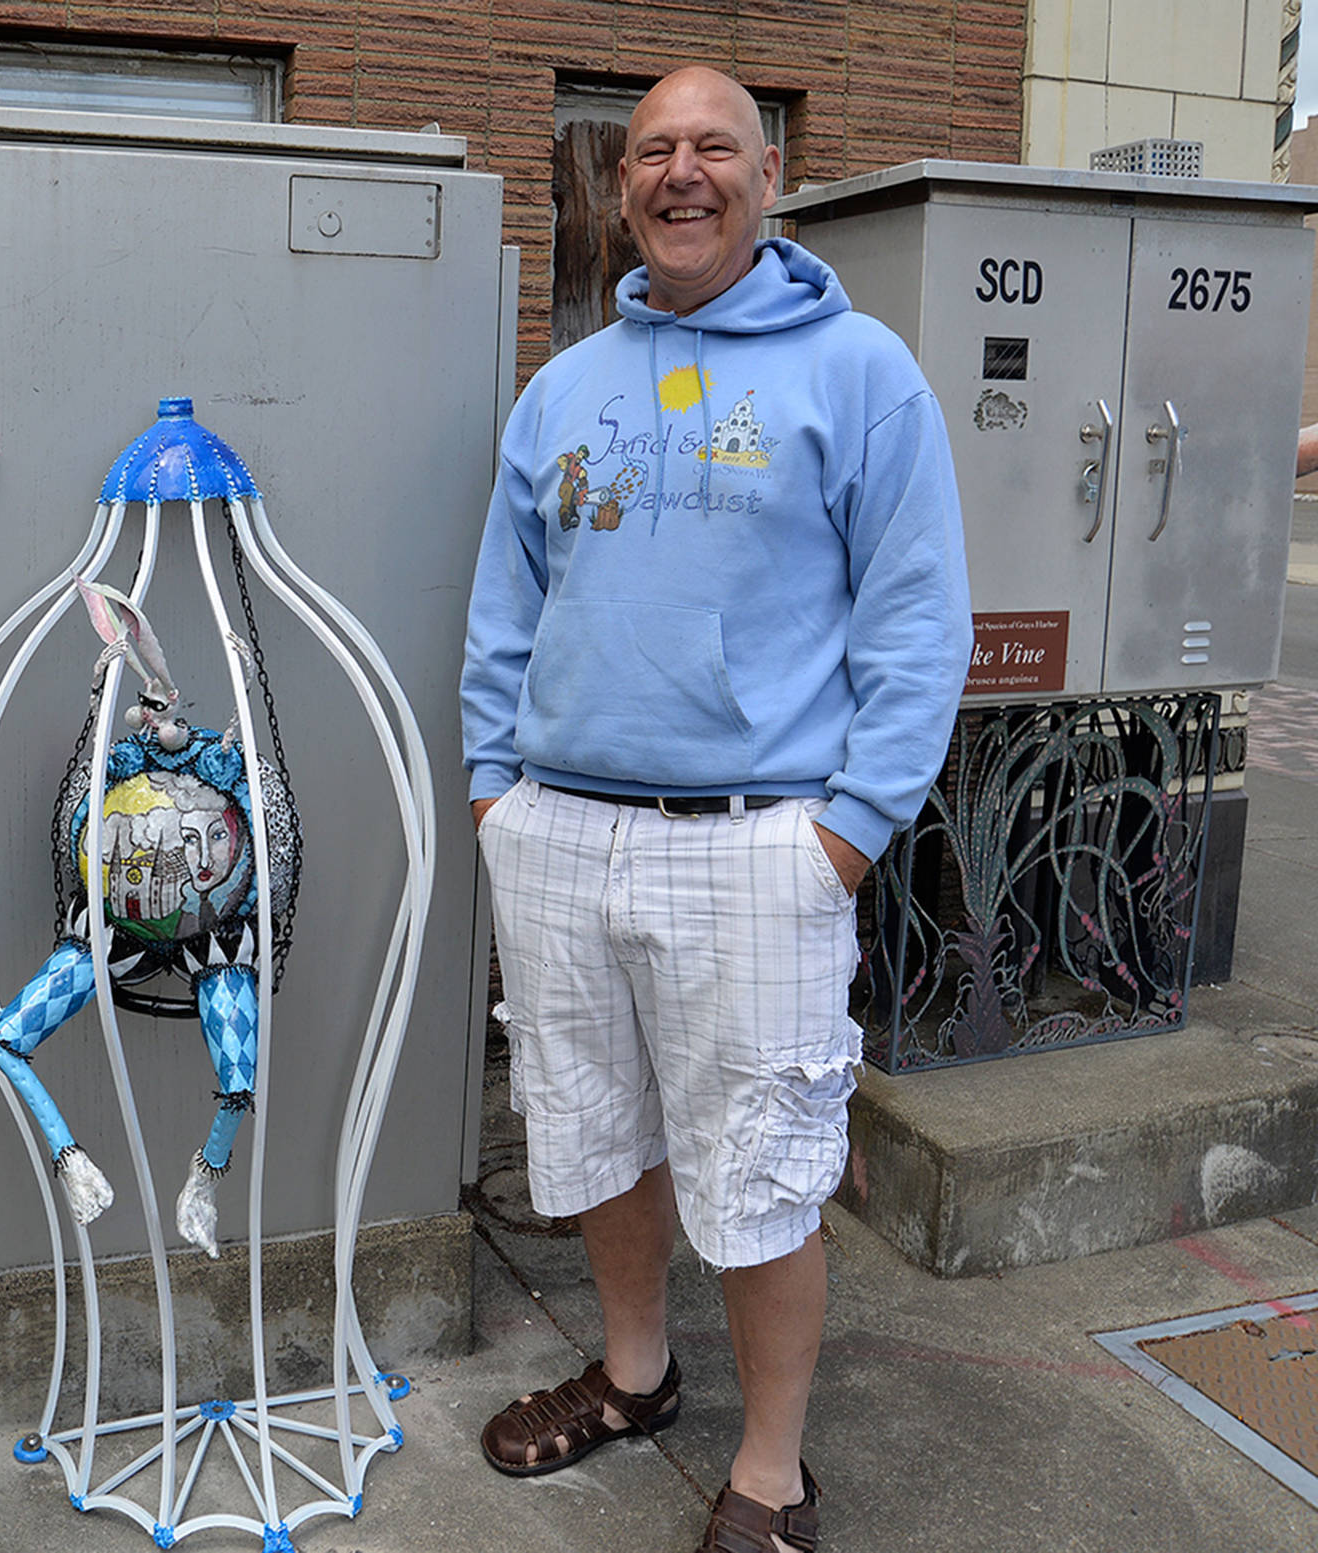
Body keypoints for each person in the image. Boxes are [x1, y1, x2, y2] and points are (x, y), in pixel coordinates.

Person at [459, 67, 971, 1553]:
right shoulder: (564, 387)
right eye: (655, 154)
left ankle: (772, 1469)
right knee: (593, 1133)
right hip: (560, 831)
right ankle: (634, 1372)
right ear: (621, 190)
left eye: (715, 151)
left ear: (771, 175)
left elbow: (919, 618)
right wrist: (497, 789)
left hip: (763, 841)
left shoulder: (858, 370)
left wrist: (851, 830)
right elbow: (508, 607)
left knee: (762, 1168)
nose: (683, 174)